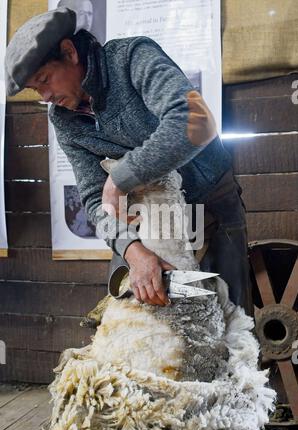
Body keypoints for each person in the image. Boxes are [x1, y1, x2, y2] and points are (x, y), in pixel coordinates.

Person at [5, 7, 254, 314]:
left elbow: (195, 122)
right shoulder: (63, 119)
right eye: (35, 89)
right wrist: (133, 251)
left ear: (69, 53)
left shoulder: (132, 58)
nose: (45, 96)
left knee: (231, 322)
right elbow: (95, 200)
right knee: (132, 320)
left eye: (44, 80)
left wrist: (120, 178)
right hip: (143, 220)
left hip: (206, 204)